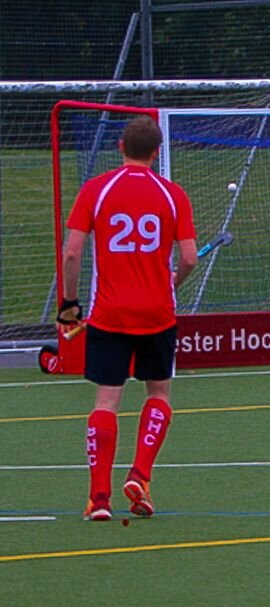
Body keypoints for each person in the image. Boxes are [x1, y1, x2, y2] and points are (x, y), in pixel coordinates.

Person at [56, 116, 198, 521]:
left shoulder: (96, 190)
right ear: (156, 152)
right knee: (158, 394)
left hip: (109, 314)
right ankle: (140, 476)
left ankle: (98, 499)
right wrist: (173, 281)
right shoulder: (173, 195)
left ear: (120, 147)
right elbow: (189, 257)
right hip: (158, 313)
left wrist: (69, 308)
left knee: (106, 401)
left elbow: (71, 253)